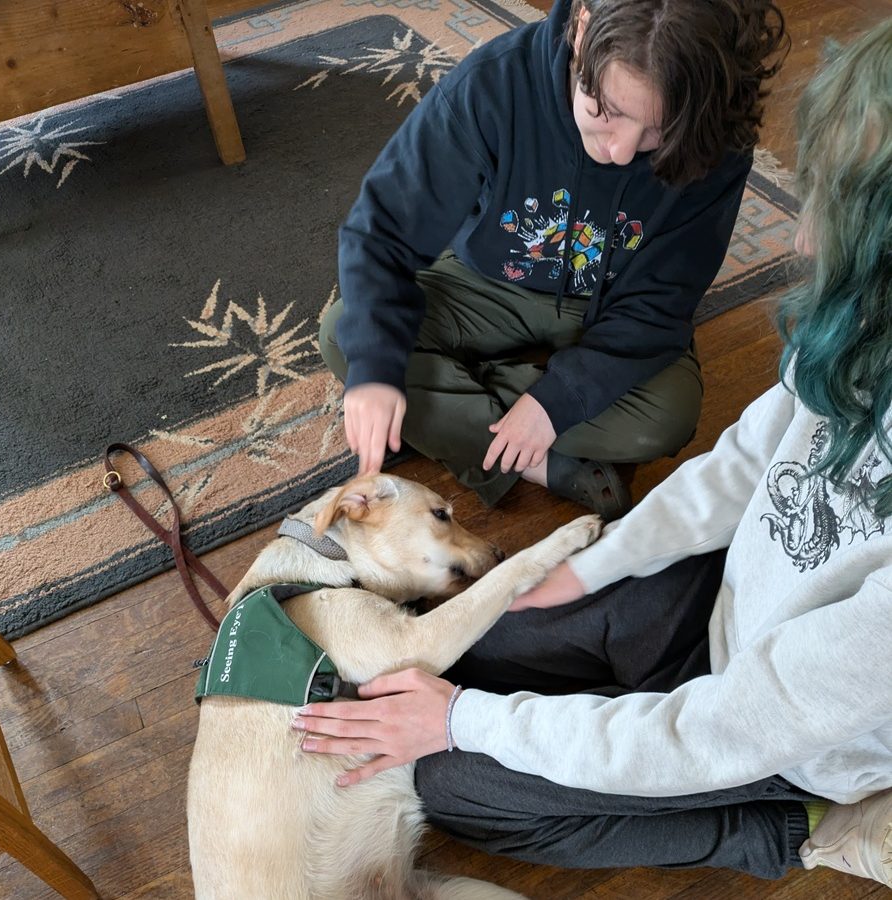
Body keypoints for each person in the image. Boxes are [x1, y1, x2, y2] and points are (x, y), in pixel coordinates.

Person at [294, 19, 892, 886]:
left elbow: (719, 729)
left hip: (785, 737)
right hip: (729, 602)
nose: (799, 241)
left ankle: (802, 830)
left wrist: (467, 724)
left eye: (838, 220)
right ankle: (535, 481)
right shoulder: (862, 322)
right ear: (579, 34)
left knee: (449, 783)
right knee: (453, 643)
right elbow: (751, 457)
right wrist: (601, 563)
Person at [319, 0, 788, 520]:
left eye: (657, 132)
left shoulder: (717, 129)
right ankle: (541, 464)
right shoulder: (490, 87)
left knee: (667, 417)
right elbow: (382, 232)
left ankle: (462, 409)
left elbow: (660, 303)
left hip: (612, 310)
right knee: (347, 335)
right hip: (486, 282)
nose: (621, 151)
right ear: (582, 29)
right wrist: (377, 375)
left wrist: (552, 404)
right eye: (606, 111)